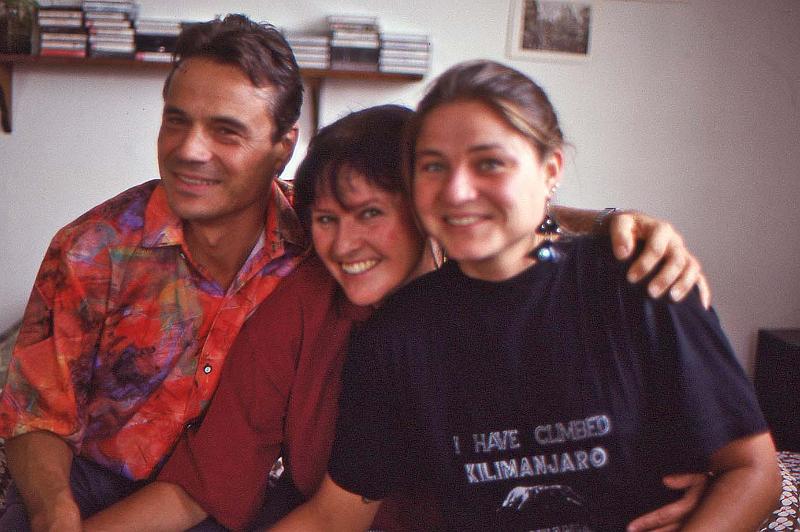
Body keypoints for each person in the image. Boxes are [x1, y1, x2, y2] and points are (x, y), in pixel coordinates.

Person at [83, 106, 710, 531]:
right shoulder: (311, 306)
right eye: (325, 219)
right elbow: (236, 487)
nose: (343, 244)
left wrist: (610, 224)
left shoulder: (548, 291)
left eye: (370, 215)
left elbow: (724, 454)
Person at [270, 61, 781, 531]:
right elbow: (334, 518)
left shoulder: (639, 278)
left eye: (489, 163)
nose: (457, 191)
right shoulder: (396, 334)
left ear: (551, 170)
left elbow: (753, 470)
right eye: (433, 167)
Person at [0, 14, 306, 531]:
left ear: (283, 147)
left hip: (243, 497)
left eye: (226, 131)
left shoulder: (321, 246)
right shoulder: (92, 248)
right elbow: (36, 413)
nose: (188, 150)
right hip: (96, 484)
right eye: (176, 120)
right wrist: (55, 510)